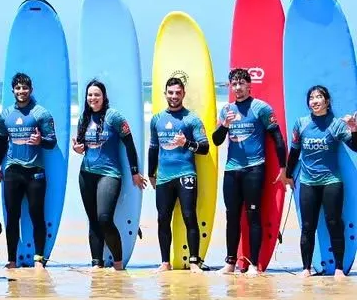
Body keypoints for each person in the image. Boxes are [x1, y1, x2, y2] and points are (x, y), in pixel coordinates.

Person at [212, 68, 287, 274]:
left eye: (241, 84)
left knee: (254, 215)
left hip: (254, 168)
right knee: (232, 216)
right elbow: (216, 140)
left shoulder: (261, 108)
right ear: (230, 87)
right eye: (234, 84)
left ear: (249, 85)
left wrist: (283, 167)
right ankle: (230, 262)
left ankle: (254, 264)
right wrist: (224, 125)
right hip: (231, 170)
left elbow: (277, 137)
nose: (238, 88)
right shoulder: (226, 110)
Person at [279, 85, 357, 278]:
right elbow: (295, 152)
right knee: (308, 226)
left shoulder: (336, 124)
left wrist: (354, 130)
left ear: (327, 101)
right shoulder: (301, 123)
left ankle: (339, 268)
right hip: (307, 182)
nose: (314, 101)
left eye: (319, 97)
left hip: (331, 181)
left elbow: (355, 147)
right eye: (311, 98)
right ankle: (306, 268)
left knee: (333, 222)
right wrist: (288, 175)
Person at [72, 80, 146, 270]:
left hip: (110, 174)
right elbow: (81, 146)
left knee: (104, 218)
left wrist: (135, 173)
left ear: (104, 97)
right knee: (93, 220)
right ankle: (97, 263)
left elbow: (129, 145)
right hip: (86, 174)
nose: (93, 98)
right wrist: (76, 148)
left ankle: (118, 263)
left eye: (97, 95)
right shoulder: (84, 118)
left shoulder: (114, 117)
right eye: (90, 95)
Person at [0, 72, 57, 267]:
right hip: (13, 170)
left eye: (25, 87)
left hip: (35, 172)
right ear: (13, 90)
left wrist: (41, 141)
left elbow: (52, 142)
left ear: (31, 89)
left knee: (37, 214)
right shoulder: (5, 115)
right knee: (12, 216)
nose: (22, 91)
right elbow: (1, 141)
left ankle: (39, 259)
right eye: (18, 88)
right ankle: (12, 260)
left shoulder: (41, 113)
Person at [148, 76, 210, 272]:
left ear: (183, 94)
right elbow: (153, 148)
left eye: (178, 93)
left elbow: (205, 148)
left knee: (189, 216)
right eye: (171, 92)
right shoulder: (156, 119)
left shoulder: (191, 119)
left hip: (186, 173)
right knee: (163, 218)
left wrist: (187, 144)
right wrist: (151, 173)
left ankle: (194, 261)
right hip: (164, 176)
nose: (174, 96)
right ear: (165, 94)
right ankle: (165, 262)